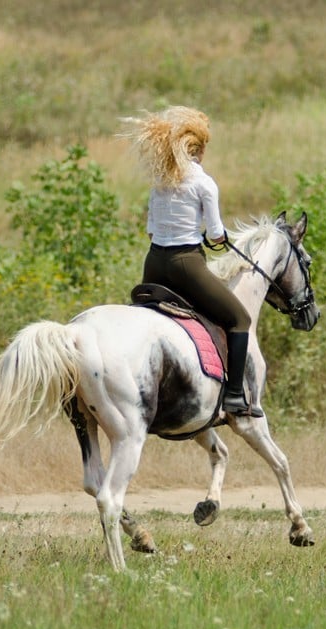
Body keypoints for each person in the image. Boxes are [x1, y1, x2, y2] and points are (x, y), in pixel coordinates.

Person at [120, 106, 262, 417]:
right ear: (199, 149)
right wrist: (220, 238)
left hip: (153, 263)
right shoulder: (204, 184)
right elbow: (214, 233)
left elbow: (150, 230)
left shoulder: (160, 181)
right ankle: (235, 397)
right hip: (186, 265)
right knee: (240, 320)